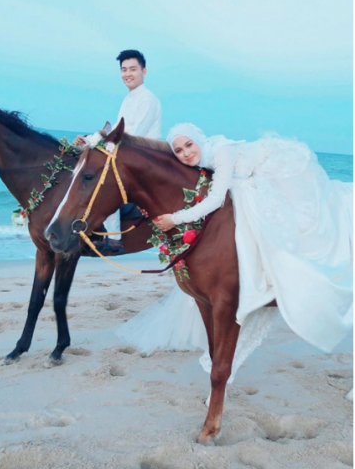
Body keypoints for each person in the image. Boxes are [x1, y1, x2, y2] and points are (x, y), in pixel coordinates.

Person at [117, 123, 353, 389]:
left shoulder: (221, 152)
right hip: (236, 182)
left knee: (273, 216)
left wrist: (176, 218)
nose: (185, 153)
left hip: (265, 172)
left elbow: (216, 198)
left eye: (189, 145)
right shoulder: (196, 163)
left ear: (198, 140)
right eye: (179, 150)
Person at [74, 50, 162, 254]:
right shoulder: (129, 99)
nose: (127, 74)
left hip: (142, 157)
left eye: (133, 69)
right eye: (124, 70)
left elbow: (133, 135)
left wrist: (101, 142)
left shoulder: (147, 99)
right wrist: (88, 140)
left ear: (144, 71)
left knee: (105, 182)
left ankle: (114, 240)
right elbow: (116, 129)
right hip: (129, 153)